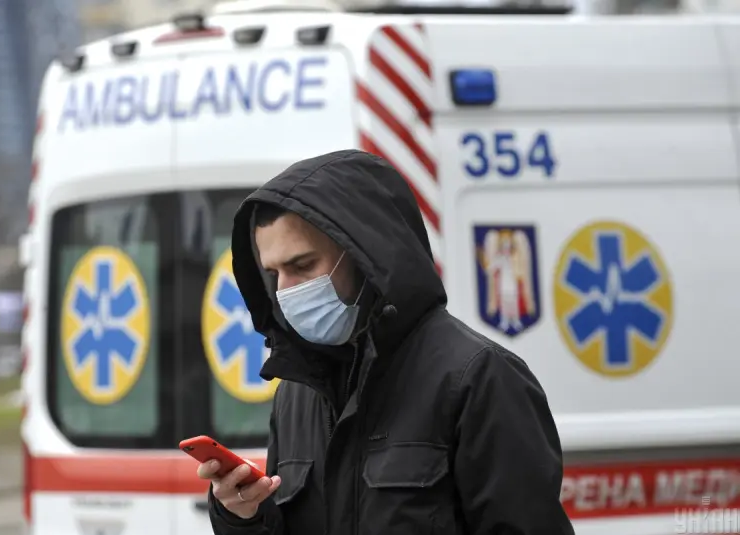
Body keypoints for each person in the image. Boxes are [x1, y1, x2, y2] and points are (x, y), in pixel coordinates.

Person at [198, 149, 574, 535]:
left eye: (302, 265)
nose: (285, 291)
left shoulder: (479, 378)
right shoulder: (296, 393)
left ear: (365, 256)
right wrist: (242, 516)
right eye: (273, 272)